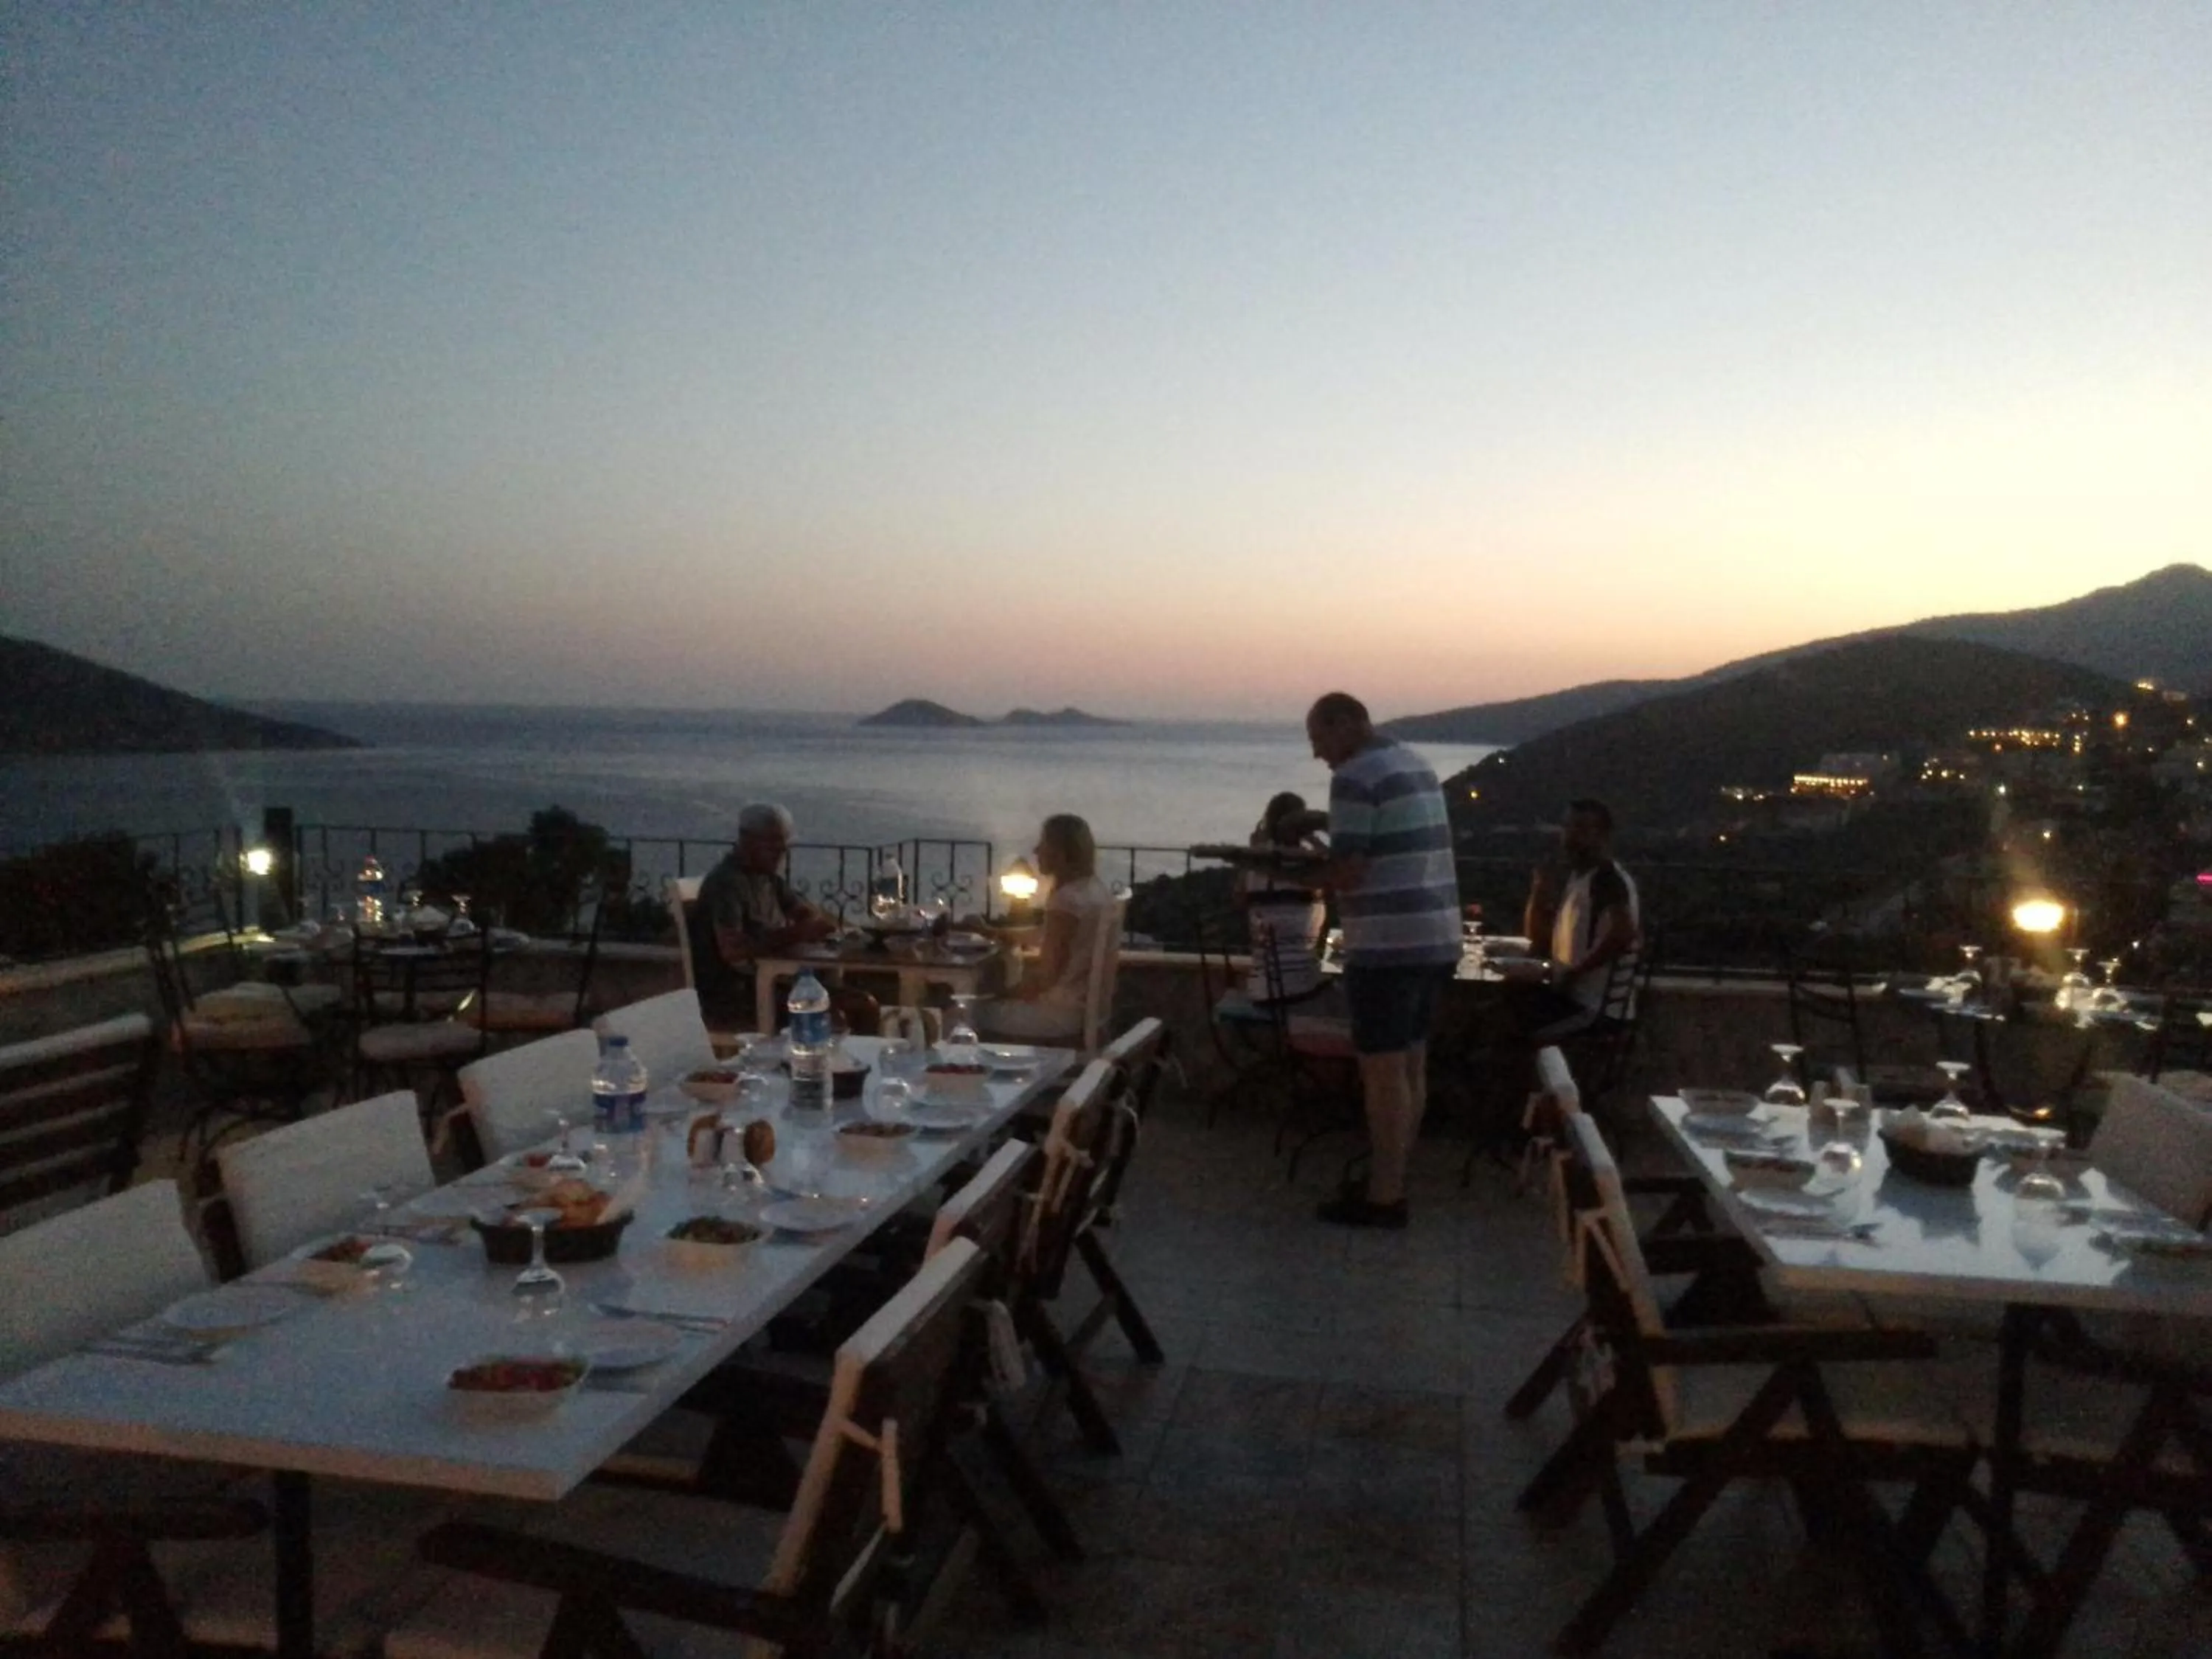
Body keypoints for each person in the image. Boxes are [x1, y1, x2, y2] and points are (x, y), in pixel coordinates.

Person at [1298, 692, 1461, 1228]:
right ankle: (1393, 1176)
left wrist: (1283, 873)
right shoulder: (1413, 762)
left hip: (1387, 944)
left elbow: (1347, 873)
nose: (1319, 755)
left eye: (1319, 739)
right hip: (1435, 935)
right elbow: (1383, 839)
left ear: (1346, 725)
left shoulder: (1355, 776)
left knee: (1383, 1073)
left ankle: (1384, 1197)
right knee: (1411, 1066)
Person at [1500, 798, 1641, 1042]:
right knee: (1500, 1010)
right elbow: (1539, 941)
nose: (1570, 837)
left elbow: (1624, 933)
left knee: (1513, 1035)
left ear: (1604, 836)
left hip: (1593, 1009)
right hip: (1573, 999)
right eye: (1568, 828)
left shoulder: (1607, 879)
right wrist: (1539, 889)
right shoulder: (1580, 878)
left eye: (1582, 829)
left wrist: (1575, 974)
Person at [688, 803, 837, 1031]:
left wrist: (812, 922)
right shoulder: (727, 883)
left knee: (846, 998)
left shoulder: (767, 878)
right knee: (842, 1012)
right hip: (736, 994)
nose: (781, 853)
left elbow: (803, 912)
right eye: (773, 845)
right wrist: (797, 933)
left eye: (783, 846)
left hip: (771, 983)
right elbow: (733, 949)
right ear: (747, 841)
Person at [971, 814, 1119, 1043]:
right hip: (1081, 1012)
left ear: (1060, 853)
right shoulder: (1094, 891)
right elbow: (1047, 934)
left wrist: (998, 995)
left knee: (960, 1015)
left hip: (1057, 1017)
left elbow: (1046, 977)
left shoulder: (1067, 902)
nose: (1036, 850)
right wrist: (994, 932)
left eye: (1043, 844)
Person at [1237, 791, 1330, 1006]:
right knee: (1340, 923)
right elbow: (1339, 864)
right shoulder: (1312, 866)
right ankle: (1335, 973)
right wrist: (1311, 837)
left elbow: (1240, 901)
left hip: (1263, 990)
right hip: (1307, 989)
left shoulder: (1254, 869)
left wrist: (1251, 853)